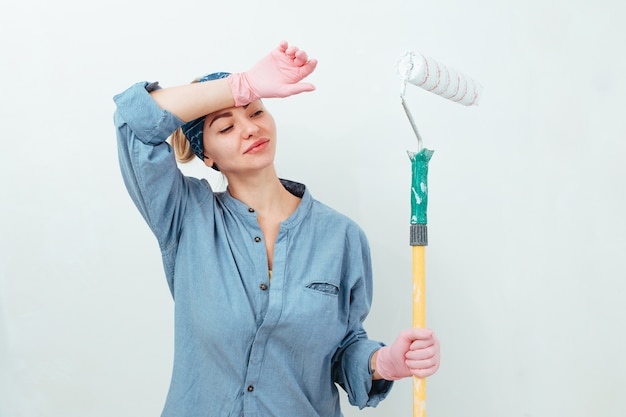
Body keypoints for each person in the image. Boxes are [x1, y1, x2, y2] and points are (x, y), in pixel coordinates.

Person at [113, 41, 440, 417]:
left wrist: (382, 363)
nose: (250, 129)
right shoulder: (186, 217)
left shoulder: (341, 237)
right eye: (226, 126)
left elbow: (341, 351)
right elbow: (133, 118)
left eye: (256, 111)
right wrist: (243, 84)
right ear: (207, 156)